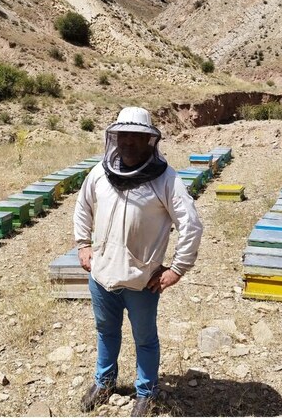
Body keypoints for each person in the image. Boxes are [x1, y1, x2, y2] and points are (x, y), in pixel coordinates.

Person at [73, 107, 203, 417]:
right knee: (106, 331)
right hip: (101, 274)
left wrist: (177, 268)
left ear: (149, 141)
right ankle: (104, 382)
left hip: (142, 280)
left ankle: (147, 392)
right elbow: (82, 208)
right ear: (113, 138)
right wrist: (82, 244)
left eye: (136, 136)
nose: (128, 141)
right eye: (122, 135)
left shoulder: (167, 180)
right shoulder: (99, 173)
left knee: (145, 339)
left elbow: (192, 225)